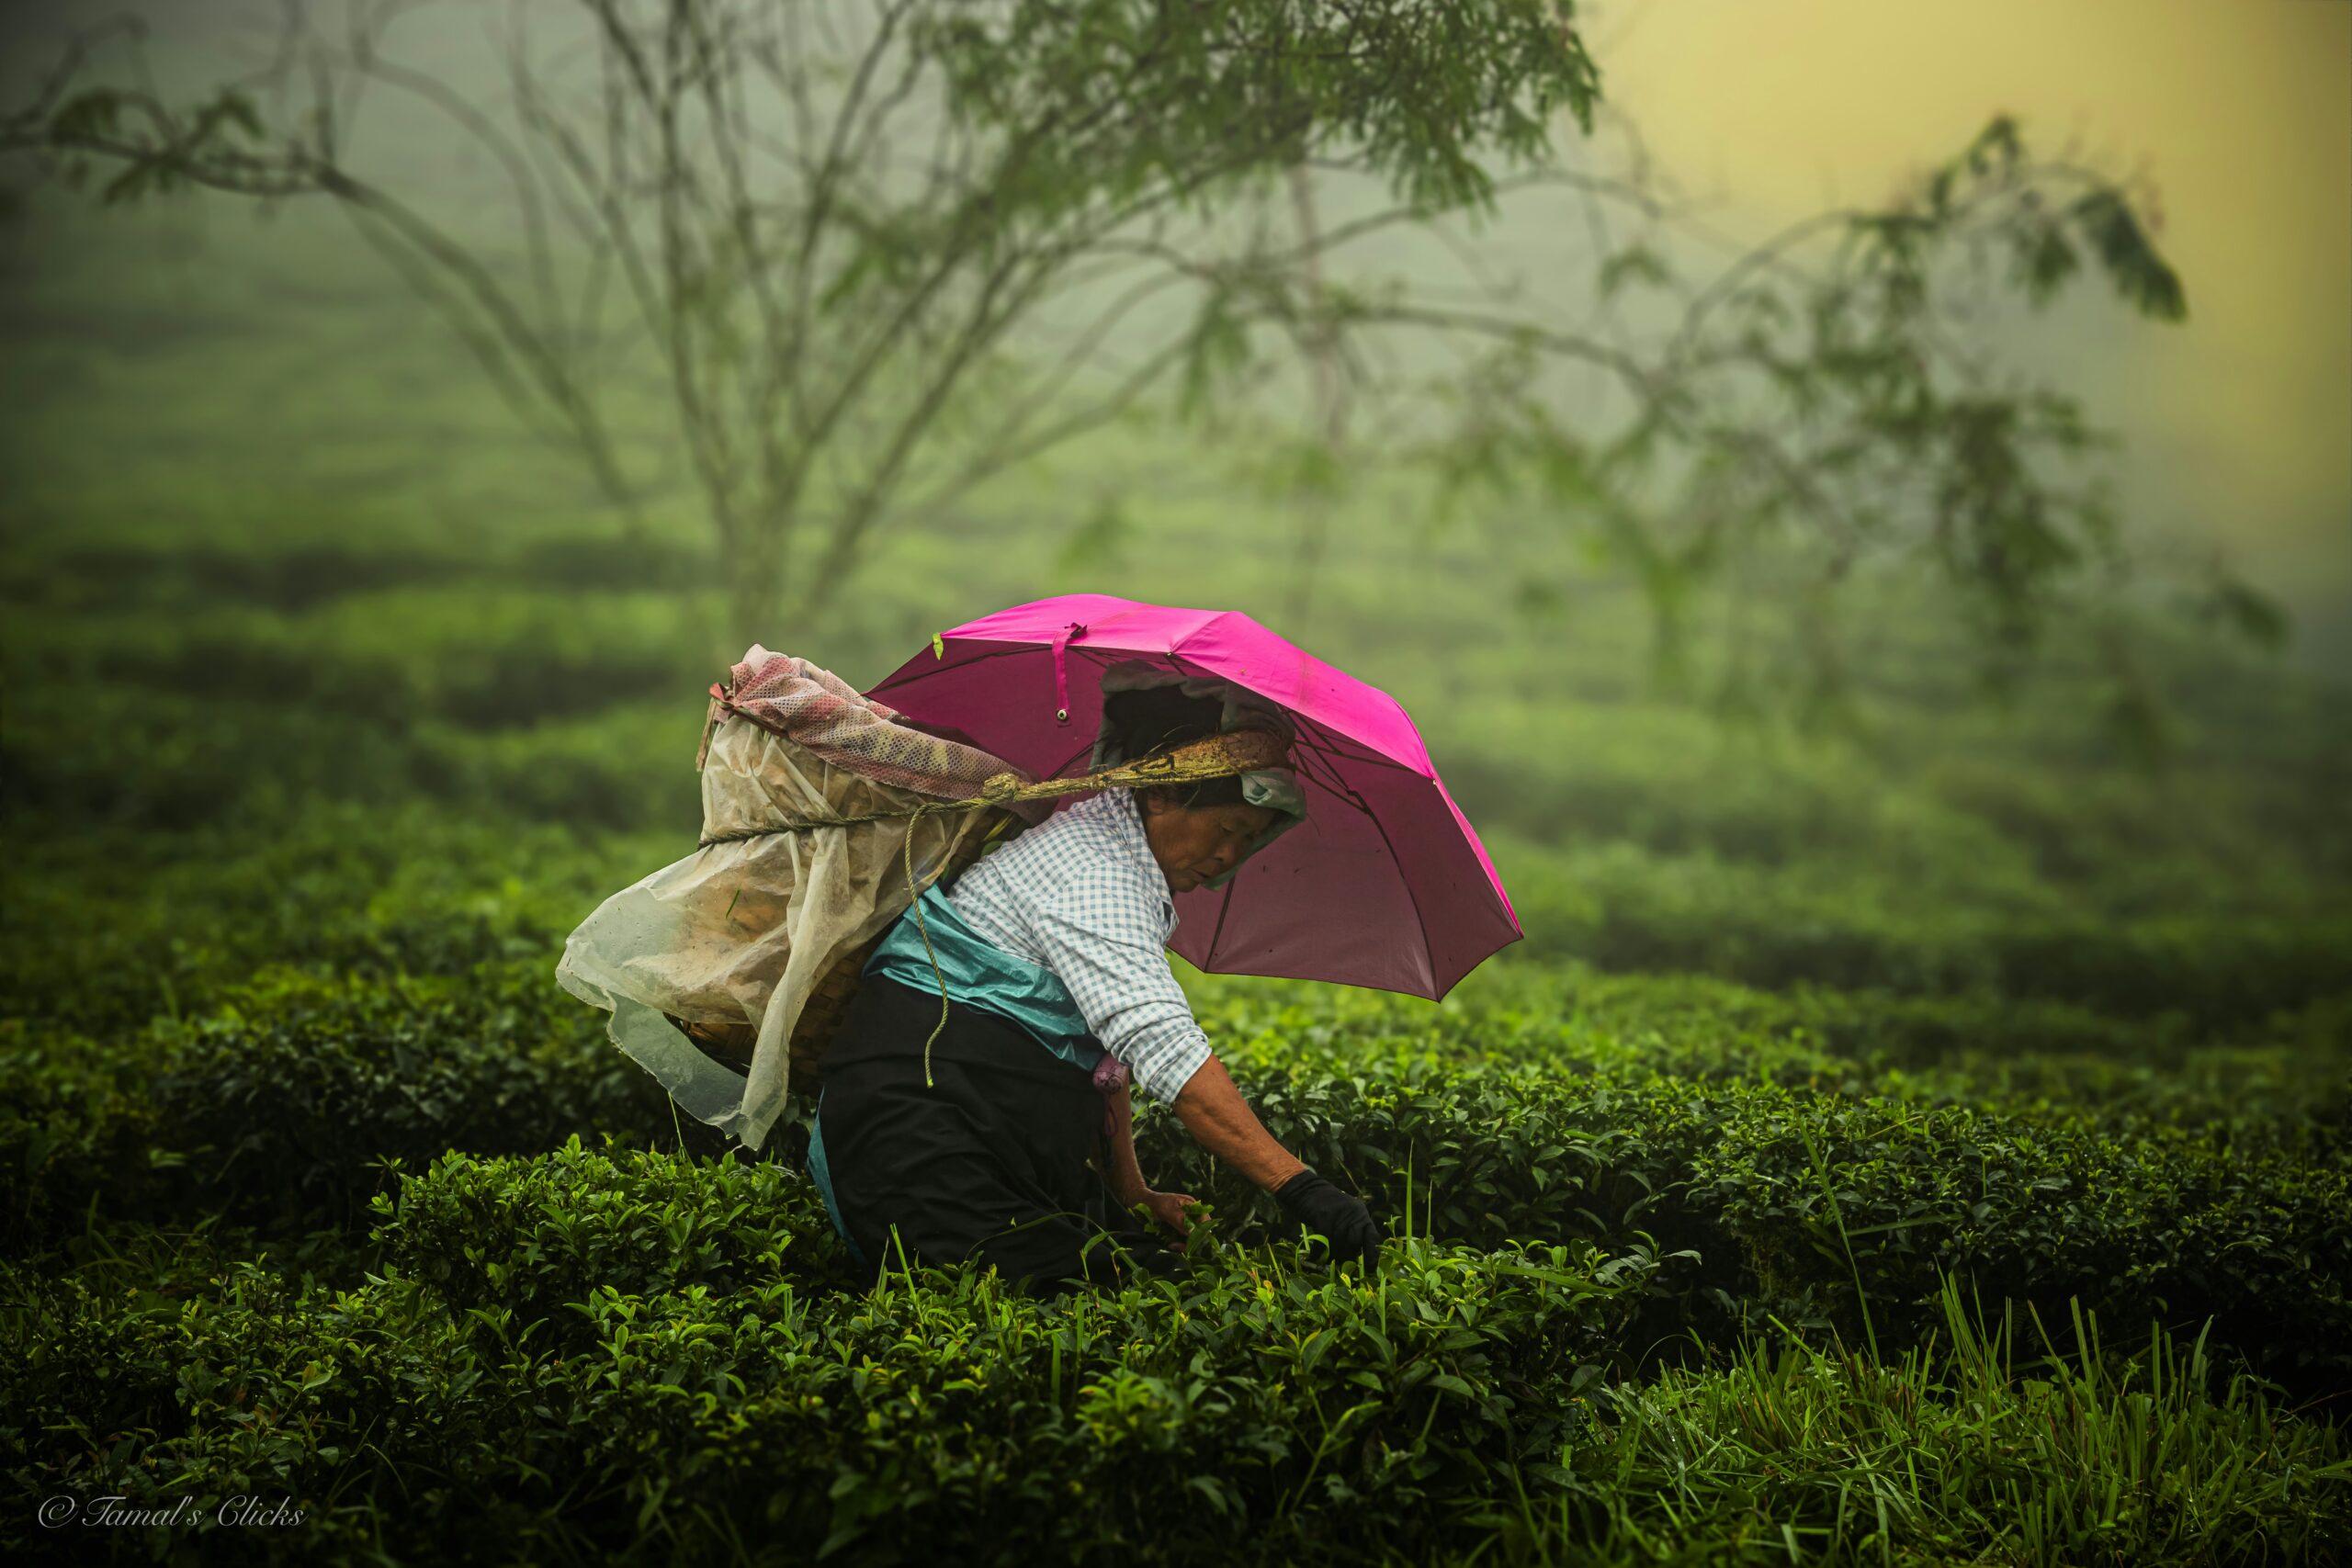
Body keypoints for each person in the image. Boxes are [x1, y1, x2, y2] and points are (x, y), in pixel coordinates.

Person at [804, 682, 1384, 1290]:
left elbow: (1107, 1056)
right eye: (1227, 825)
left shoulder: (1118, 858)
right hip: (915, 1143)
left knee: (1148, 1267)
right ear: (1161, 794)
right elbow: (1162, 1045)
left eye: (1249, 836)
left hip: (987, 1134)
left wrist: (1131, 1191)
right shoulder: (1094, 873)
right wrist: (1302, 1187)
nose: (1230, 852)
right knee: (1129, 1294)